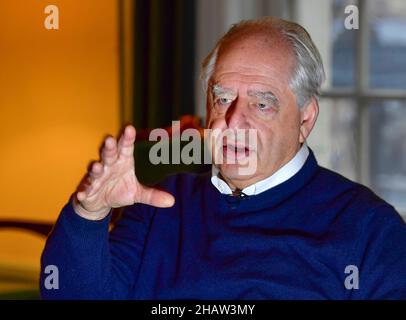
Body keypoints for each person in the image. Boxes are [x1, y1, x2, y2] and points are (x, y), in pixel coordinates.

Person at [40, 17, 406, 299]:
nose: (234, 122)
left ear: (305, 119)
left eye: (261, 104)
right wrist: (89, 216)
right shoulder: (160, 204)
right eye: (223, 98)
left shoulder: (368, 228)